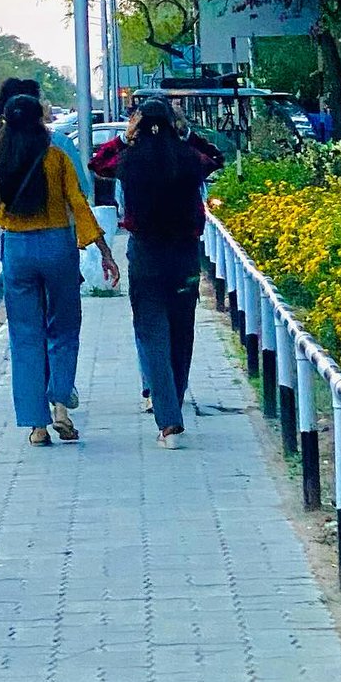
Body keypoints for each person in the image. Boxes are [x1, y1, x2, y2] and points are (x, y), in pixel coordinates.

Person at [0, 94, 120, 446]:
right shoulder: (56, 156)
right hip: (57, 246)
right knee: (63, 327)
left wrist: (12, 224)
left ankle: (36, 426)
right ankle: (61, 404)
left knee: (25, 335)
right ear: (39, 121)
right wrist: (103, 250)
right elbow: (78, 202)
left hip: (17, 248)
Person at [89, 100, 224, 450]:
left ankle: (168, 421)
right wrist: (187, 134)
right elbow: (216, 156)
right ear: (171, 122)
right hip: (184, 255)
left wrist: (124, 138)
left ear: (139, 124)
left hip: (145, 253)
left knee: (151, 334)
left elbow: (97, 163)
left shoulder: (128, 160)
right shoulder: (189, 158)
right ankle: (173, 403)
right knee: (181, 332)